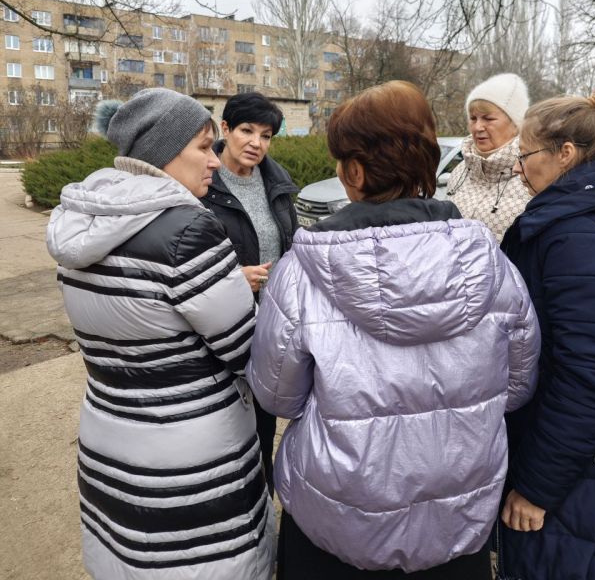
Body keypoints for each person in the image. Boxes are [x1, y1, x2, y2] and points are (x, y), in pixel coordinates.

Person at [247, 80, 540, 579]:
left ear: (354, 171)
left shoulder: (302, 273)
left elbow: (278, 397)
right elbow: (516, 387)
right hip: (456, 525)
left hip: (336, 521)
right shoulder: (492, 265)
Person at [46, 88, 274, 580]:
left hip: (110, 440)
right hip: (190, 461)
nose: (214, 161)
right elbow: (247, 351)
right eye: (201, 146)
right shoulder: (189, 231)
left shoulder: (81, 224)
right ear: (161, 151)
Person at [498, 90, 595, 580]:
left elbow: (586, 374)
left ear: (565, 154)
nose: (519, 169)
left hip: (573, 479)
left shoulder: (575, 235)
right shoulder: (570, 221)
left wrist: (537, 486)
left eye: (525, 155)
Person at [202, 91, 298, 495]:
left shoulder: (276, 183)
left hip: (269, 326)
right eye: (246, 130)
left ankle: (262, 495)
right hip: (221, 326)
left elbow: (289, 244)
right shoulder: (204, 184)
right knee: (223, 424)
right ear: (225, 129)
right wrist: (230, 275)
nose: (256, 143)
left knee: (263, 418)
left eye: (266, 134)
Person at [447, 73, 531, 242]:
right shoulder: (460, 171)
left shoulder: (532, 175)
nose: (478, 127)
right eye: (473, 118)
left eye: (488, 118)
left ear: (516, 124)